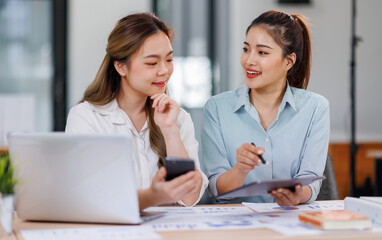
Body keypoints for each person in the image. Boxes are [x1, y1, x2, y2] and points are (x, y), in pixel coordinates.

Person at [66, 13, 208, 210]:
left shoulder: (178, 118)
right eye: (152, 63)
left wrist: (169, 129)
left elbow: (190, 197)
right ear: (121, 67)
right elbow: (91, 197)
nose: (164, 71)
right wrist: (152, 197)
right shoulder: (87, 117)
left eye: (169, 59)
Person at [202, 10, 329, 206]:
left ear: (289, 61)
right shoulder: (216, 108)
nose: (249, 60)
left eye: (262, 52)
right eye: (246, 49)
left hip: (291, 224)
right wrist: (240, 170)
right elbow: (216, 191)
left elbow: (310, 182)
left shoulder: (315, 108)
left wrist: (297, 195)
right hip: (237, 227)